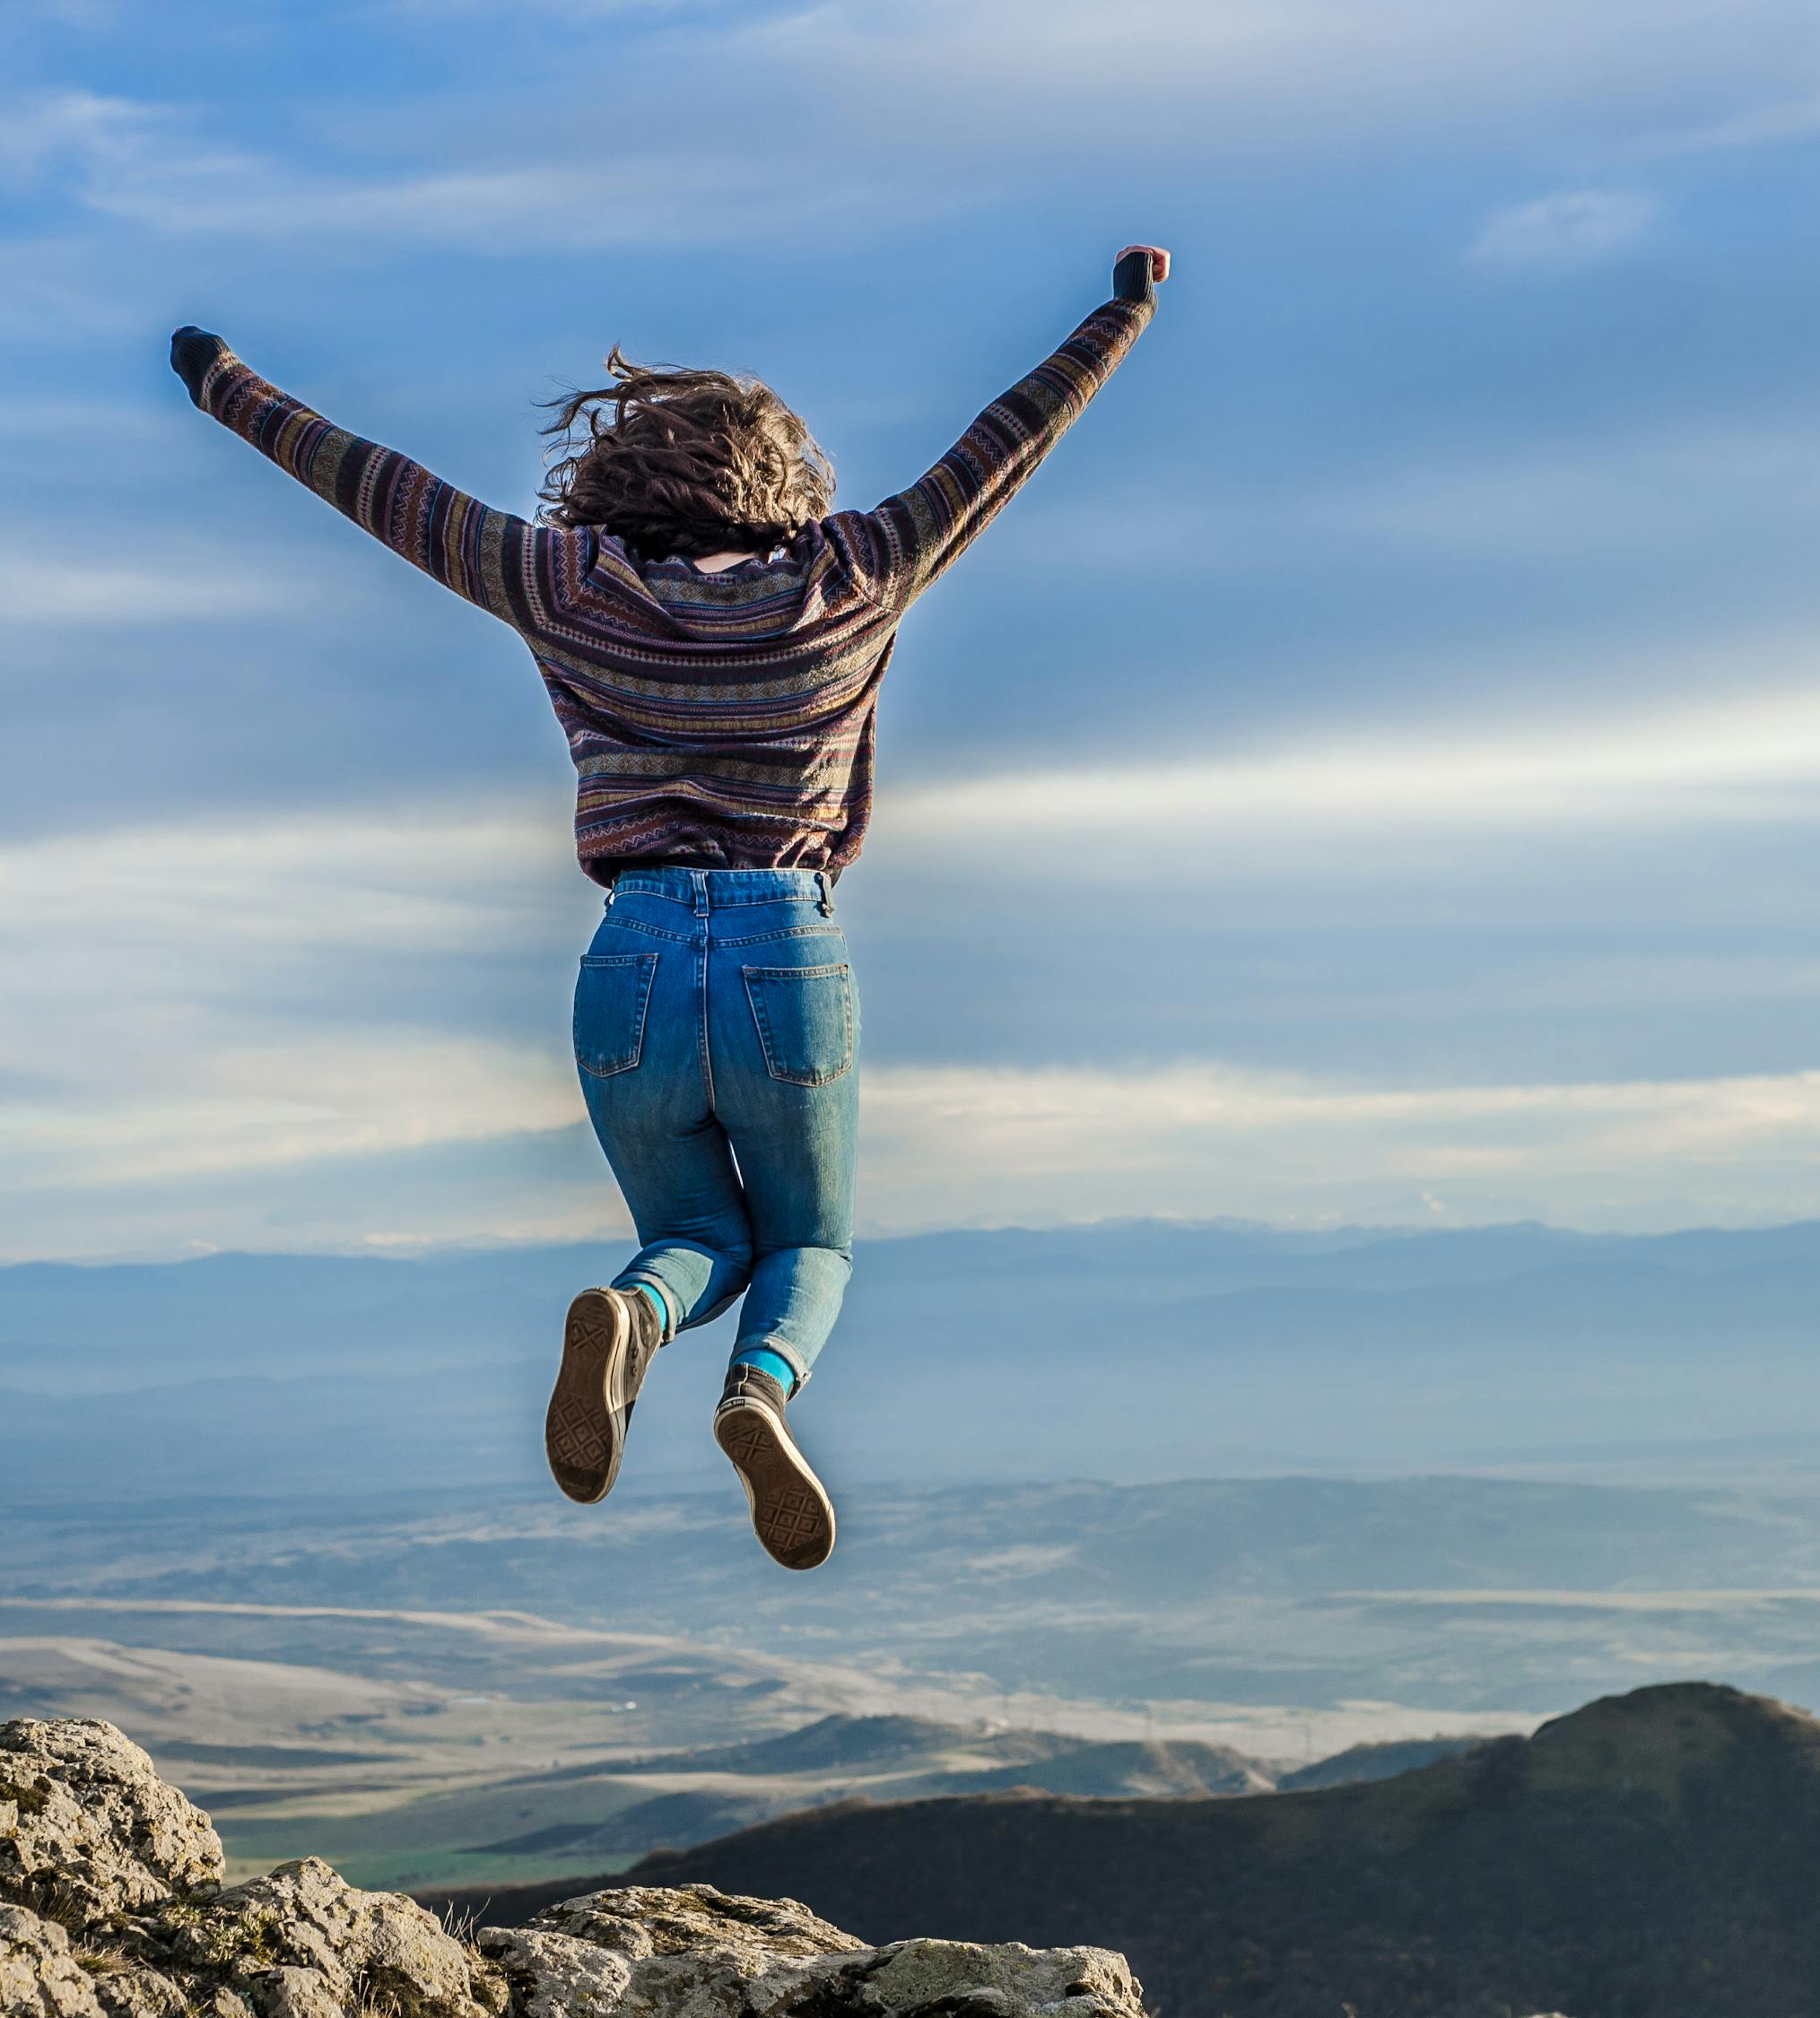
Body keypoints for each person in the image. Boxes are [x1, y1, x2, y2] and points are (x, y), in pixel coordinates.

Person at [171, 245, 1171, 1569]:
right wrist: (1120, 312)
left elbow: (379, 486)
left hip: (629, 958)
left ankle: (637, 1315)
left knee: (693, 1231)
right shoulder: (856, 574)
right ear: (784, 482)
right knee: (808, 1237)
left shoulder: (564, 583)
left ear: (615, 480)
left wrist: (222, 384)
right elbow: (1003, 442)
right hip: (784, 947)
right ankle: (757, 1394)